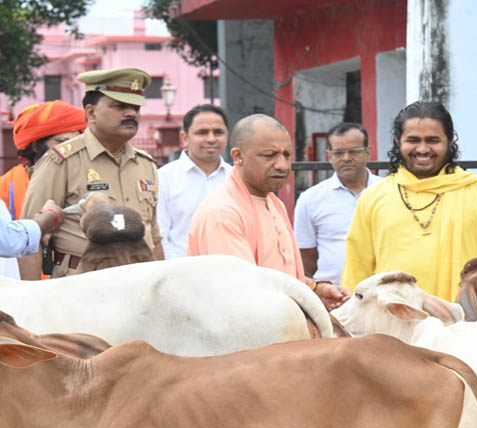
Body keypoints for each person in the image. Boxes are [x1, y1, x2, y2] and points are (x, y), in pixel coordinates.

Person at [341, 101, 477, 302]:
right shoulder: (374, 196)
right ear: (398, 142)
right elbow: (357, 267)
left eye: (433, 140)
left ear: (450, 142)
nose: (422, 149)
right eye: (413, 140)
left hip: (463, 324)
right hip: (393, 323)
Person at [187, 114, 349, 310]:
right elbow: (242, 293)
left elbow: (279, 275)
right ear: (238, 156)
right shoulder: (223, 212)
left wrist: (314, 289)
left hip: (280, 325)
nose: (282, 165)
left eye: (286, 155)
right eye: (269, 155)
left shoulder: (273, 201)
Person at [19, 67, 164, 279]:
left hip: (139, 285)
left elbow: (154, 236)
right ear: (91, 112)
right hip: (82, 286)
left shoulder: (145, 164)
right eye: (120, 106)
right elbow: (30, 238)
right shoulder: (61, 161)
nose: (131, 113)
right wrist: (31, 301)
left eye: (136, 108)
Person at [293, 122, 383, 284]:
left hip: (382, 292)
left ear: (368, 152)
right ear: (329, 156)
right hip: (334, 296)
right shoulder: (311, 199)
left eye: (354, 152)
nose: (346, 158)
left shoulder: (388, 192)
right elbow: (306, 254)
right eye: (339, 153)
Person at [157, 104, 232, 259]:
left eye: (218, 132)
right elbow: (159, 235)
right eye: (202, 132)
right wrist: (179, 270)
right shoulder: (164, 178)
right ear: (185, 138)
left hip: (230, 272)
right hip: (181, 273)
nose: (211, 139)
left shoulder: (236, 178)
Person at [0, 100, 86, 220]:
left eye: (77, 142)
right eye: (63, 142)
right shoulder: (5, 188)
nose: (71, 149)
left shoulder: (90, 178)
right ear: (36, 146)